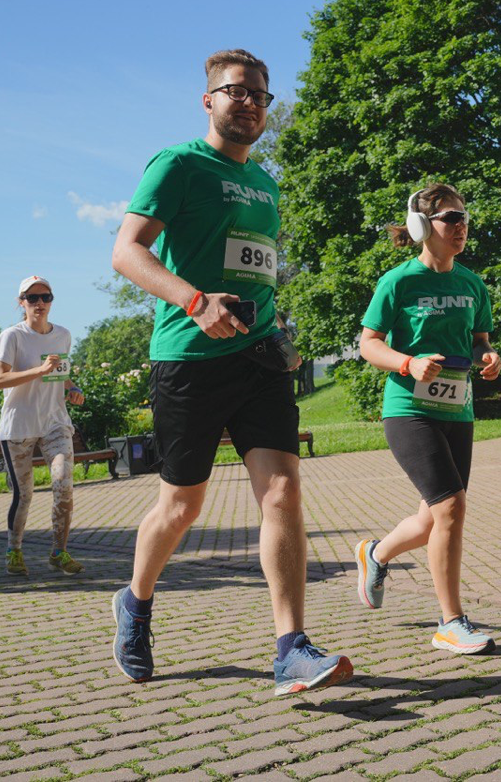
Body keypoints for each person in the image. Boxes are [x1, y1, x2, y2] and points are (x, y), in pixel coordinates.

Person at [108, 48, 352, 694]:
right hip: (187, 359)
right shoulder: (179, 164)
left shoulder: (267, 186)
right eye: (236, 91)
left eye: (260, 96)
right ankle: (134, 604)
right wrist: (193, 300)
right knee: (182, 507)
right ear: (209, 99)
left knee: (282, 492)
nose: (249, 103)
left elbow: (257, 271)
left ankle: (290, 648)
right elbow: (126, 252)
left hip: (259, 360)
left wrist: (280, 337)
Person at [354, 183, 501, 654]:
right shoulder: (397, 282)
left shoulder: (472, 284)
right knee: (451, 509)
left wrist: (488, 356)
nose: (461, 226)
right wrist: (407, 362)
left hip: (458, 409)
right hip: (409, 411)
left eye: (464, 218)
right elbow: (368, 343)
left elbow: (479, 342)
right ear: (422, 227)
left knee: (432, 519)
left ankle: (375, 553)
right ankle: (450, 622)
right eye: (450, 218)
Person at [0, 276, 86, 577]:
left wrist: (72, 388)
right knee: (25, 494)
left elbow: (60, 374)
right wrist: (38, 370)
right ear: (21, 302)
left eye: (46, 297)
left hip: (55, 422)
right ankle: (14, 549)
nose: (40, 303)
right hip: (19, 425)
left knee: (63, 483)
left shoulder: (63, 335)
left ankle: (59, 552)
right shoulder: (12, 337)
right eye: (32, 298)